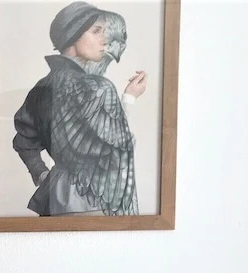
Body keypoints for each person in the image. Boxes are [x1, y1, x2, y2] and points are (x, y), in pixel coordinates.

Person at [12, 1, 147, 216]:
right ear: (72, 34)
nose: (105, 40)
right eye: (96, 31)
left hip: (56, 199)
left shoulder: (41, 87)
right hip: (94, 202)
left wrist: (42, 174)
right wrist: (129, 98)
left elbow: (24, 140)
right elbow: (117, 150)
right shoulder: (99, 87)